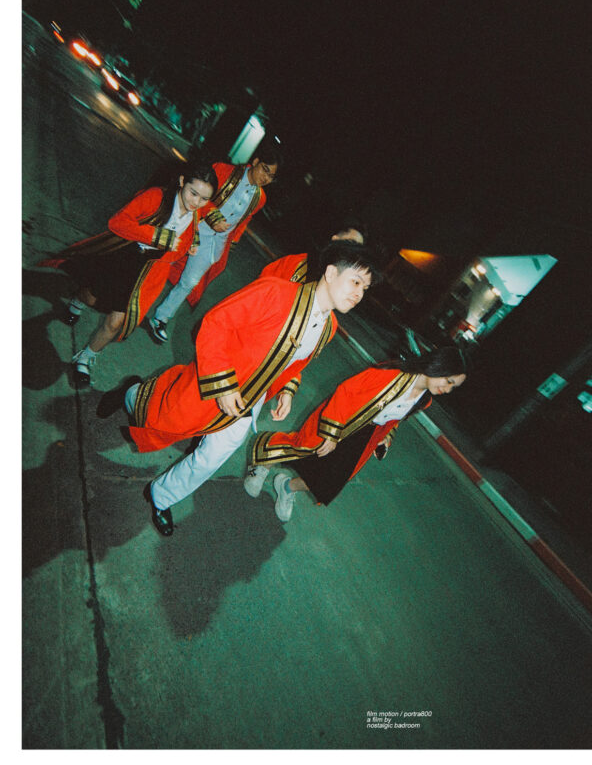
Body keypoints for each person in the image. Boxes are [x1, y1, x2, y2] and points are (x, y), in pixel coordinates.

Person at [97, 243, 382, 537]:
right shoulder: (275, 291)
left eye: (365, 288)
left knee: (213, 454)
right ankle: (130, 393)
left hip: (248, 401)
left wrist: (287, 390)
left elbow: (292, 362)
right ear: (331, 273)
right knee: (162, 415)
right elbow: (215, 324)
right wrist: (222, 385)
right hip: (216, 380)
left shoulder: (328, 328)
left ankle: (161, 496)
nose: (359, 293)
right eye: (355, 282)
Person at [40, 163, 218, 385]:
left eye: (203, 198)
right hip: (123, 254)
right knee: (92, 297)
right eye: (193, 193)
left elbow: (196, 222)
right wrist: (155, 236)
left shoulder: (197, 212)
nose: (196, 202)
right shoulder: (156, 197)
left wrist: (190, 243)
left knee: (117, 322)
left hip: (146, 270)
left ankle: (85, 358)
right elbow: (117, 222)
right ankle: (78, 301)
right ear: (182, 181)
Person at [244, 347, 468, 520]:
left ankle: (286, 487)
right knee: (302, 449)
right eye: (448, 381)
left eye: (453, 387)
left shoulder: (424, 400)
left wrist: (386, 437)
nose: (447, 389)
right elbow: (346, 391)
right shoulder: (392, 373)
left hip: (365, 436)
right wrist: (331, 434)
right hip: (340, 418)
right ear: (438, 366)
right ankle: (261, 463)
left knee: (330, 482)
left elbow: (395, 419)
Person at [146, 142, 281, 343]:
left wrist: (232, 241)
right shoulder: (223, 170)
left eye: (271, 176)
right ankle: (135, 299)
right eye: (265, 170)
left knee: (190, 282)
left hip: (214, 243)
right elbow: (198, 194)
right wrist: (213, 217)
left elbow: (244, 221)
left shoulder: (260, 198)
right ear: (255, 162)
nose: (266, 178)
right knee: (160, 261)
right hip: (194, 225)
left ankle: (160, 318)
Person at [260, 218, 367, 284]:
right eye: (351, 242)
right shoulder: (298, 262)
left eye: (358, 248)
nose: (353, 250)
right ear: (335, 239)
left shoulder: (339, 285)